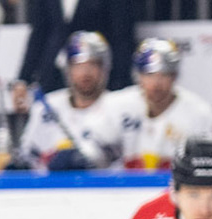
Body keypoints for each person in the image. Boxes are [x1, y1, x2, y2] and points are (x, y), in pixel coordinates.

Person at [9, 30, 130, 169]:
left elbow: (125, 162)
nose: (85, 72)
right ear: (67, 69)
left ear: (105, 68)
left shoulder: (119, 107)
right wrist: (21, 166)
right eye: (78, 65)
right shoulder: (46, 107)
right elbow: (30, 155)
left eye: (93, 64)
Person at [107, 37, 212, 169]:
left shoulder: (201, 114)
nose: (157, 83)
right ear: (138, 75)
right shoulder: (114, 106)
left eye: (164, 74)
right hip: (120, 187)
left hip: (178, 186)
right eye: (149, 74)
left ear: (175, 75)